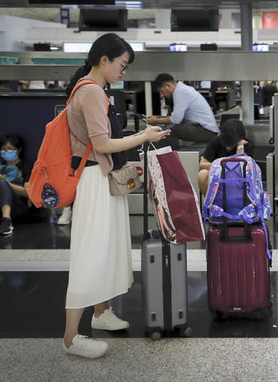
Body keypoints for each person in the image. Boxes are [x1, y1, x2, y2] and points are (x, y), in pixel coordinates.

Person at [62, 33, 169, 359]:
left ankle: (100, 312)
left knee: (102, 249)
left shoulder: (87, 88)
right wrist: (143, 136)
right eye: (121, 65)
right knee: (90, 254)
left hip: (97, 177)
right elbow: (103, 144)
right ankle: (70, 337)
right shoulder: (92, 92)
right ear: (104, 60)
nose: (124, 71)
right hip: (94, 180)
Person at [147, 73, 219, 149]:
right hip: (202, 128)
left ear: (168, 86)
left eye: (162, 91)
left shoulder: (181, 92)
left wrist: (156, 120)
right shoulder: (181, 89)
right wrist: (157, 118)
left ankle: (170, 157)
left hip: (207, 132)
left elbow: (176, 119)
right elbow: (175, 117)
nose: (162, 95)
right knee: (167, 124)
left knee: (170, 129)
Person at [197, 119, 252, 195]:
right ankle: (210, 203)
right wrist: (222, 166)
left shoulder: (246, 145)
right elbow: (202, 164)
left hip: (238, 180)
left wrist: (240, 146)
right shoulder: (216, 142)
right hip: (218, 175)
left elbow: (241, 169)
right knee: (202, 174)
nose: (228, 147)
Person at [0, 134, 32, 236]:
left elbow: (27, 192)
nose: (6, 152)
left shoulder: (26, 167)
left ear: (18, 150)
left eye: (10, 149)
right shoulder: (1, 167)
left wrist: (6, 183)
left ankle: (6, 220)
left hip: (18, 205)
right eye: (3, 150)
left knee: (2, 183)